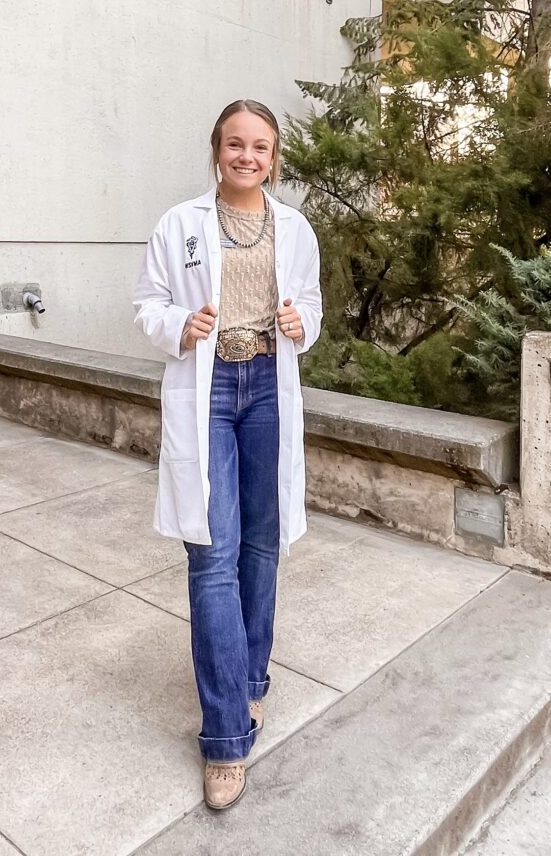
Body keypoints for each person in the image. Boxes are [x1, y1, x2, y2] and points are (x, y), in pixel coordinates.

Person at [133, 98, 322, 810]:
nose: (248, 156)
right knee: (213, 552)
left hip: (269, 386)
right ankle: (223, 739)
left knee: (262, 546)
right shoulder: (179, 224)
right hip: (207, 389)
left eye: (261, 147)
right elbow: (148, 303)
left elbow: (312, 306)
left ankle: (249, 684)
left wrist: (304, 322)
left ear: (275, 158)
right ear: (217, 150)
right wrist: (181, 325)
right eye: (236, 144)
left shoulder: (295, 229)